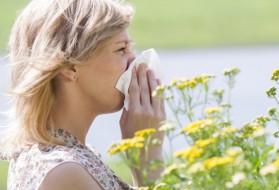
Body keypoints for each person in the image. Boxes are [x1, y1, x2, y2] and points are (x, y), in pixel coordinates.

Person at [0, 0, 166, 189]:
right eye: (121, 49)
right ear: (70, 66)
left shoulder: (70, 156)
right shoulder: (64, 173)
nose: (134, 60)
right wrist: (147, 159)